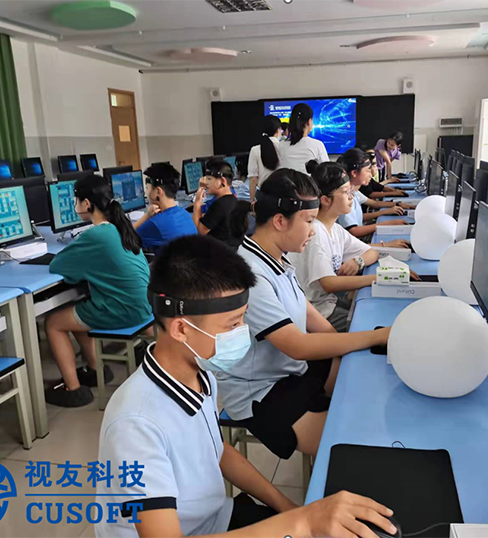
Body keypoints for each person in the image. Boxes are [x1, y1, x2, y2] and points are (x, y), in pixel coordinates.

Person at [96, 235, 397, 538]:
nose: (243, 332)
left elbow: (217, 451)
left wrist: (289, 508)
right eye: (233, 324)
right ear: (182, 329)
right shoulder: (136, 424)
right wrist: (303, 522)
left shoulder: (200, 373)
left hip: (217, 520)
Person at [217, 169, 392, 461]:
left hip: (290, 370)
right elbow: (298, 346)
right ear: (279, 221)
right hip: (261, 391)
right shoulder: (250, 274)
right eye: (309, 221)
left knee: (362, 378)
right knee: (354, 438)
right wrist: (376, 336)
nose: (313, 230)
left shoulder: (277, 258)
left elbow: (314, 319)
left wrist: (350, 347)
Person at [47, 174, 151, 407]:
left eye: (76, 200)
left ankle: (73, 389)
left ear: (86, 203)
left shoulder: (95, 235)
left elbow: (57, 265)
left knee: (53, 323)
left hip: (124, 310)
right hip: (143, 305)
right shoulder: (120, 226)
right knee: (77, 312)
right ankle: (96, 369)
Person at [289, 162, 379, 332]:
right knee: (370, 326)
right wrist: (376, 279)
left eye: (351, 191)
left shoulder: (335, 229)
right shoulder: (316, 233)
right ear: (325, 200)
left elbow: (371, 252)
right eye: (346, 192)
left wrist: (358, 261)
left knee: (370, 312)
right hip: (318, 313)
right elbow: (328, 283)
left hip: (328, 302)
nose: (352, 197)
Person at [337, 148, 414, 242]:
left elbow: (359, 217)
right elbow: (354, 231)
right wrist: (388, 224)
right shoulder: (345, 197)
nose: (371, 175)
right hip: (355, 242)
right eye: (368, 171)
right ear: (354, 173)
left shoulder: (354, 191)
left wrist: (392, 208)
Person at [133, 162, 197, 250]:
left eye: (147, 188)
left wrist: (146, 216)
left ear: (158, 191)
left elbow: (123, 239)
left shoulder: (155, 224)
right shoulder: (185, 214)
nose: (146, 193)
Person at [193, 159, 248, 249]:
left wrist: (197, 202)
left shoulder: (219, 205)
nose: (206, 183)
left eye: (209, 179)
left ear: (222, 181)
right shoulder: (232, 199)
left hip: (218, 252)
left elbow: (200, 231)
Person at [279, 103, 329, 174]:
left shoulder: (281, 145)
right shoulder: (317, 145)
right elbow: (327, 171)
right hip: (309, 181)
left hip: (286, 181)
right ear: (309, 121)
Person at [248, 115, 282, 202]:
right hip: (282, 196)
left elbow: (253, 178)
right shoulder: (284, 148)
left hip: (263, 197)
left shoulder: (255, 150)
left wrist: (252, 200)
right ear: (278, 130)